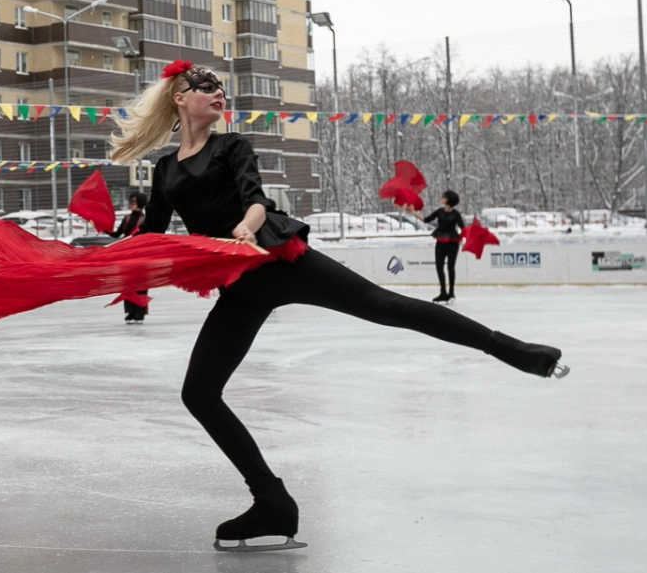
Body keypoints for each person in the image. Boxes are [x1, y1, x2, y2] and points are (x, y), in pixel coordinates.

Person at [109, 59, 568, 552]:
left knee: (387, 305)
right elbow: (151, 231)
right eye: (207, 88)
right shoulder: (166, 168)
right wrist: (98, 260)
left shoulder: (232, 146)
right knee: (199, 393)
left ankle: (516, 350)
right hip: (237, 284)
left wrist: (246, 225)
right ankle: (272, 502)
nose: (219, 95)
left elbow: (256, 198)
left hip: (279, 257)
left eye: (222, 89)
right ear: (180, 98)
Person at [110, 191, 149, 324]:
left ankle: (139, 312)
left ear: (140, 203)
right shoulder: (126, 218)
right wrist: (102, 226)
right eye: (130, 201)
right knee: (128, 285)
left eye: (134, 202)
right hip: (127, 256)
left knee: (140, 285)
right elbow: (117, 234)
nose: (131, 204)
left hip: (141, 256)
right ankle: (131, 312)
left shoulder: (145, 219)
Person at [421, 191, 464, 304]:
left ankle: (451, 293)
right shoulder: (439, 211)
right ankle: (443, 292)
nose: (442, 198)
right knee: (439, 267)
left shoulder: (456, 214)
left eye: (444, 197)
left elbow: (463, 228)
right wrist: (412, 212)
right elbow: (426, 219)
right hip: (440, 241)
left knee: (450, 267)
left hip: (452, 242)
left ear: (449, 200)